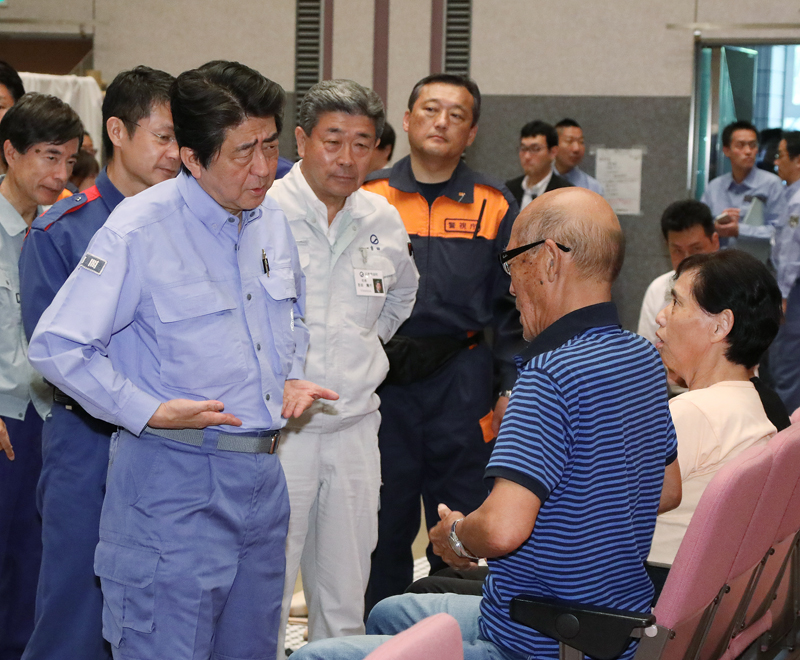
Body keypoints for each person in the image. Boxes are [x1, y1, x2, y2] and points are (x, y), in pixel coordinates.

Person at [27, 60, 337, 660]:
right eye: (242, 151)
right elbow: (58, 345)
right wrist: (149, 410)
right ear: (192, 157)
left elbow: (287, 316)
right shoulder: (140, 229)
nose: (262, 168)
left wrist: (288, 376)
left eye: (269, 146)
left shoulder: (270, 218)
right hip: (174, 482)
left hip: (262, 483)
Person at [291, 187, 680, 660]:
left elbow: (499, 532)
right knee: (388, 613)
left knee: (313, 657)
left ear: (550, 261)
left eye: (513, 260)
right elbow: (666, 488)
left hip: (534, 639)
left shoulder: (549, 374)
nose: (511, 285)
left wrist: (454, 536)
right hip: (612, 625)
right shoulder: (641, 357)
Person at [18, 65, 179, 660]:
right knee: (74, 614)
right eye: (162, 136)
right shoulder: (65, 229)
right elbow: (58, 354)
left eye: (180, 139)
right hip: (90, 444)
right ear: (117, 130)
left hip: (174, 447)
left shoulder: (191, 224)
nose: (174, 152)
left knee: (161, 616)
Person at [268, 79, 419, 654]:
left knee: (343, 596)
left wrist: (363, 346)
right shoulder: (263, 213)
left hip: (356, 426)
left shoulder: (382, 217)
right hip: (281, 433)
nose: (348, 158)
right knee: (268, 590)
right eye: (334, 141)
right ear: (302, 139)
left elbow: (401, 298)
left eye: (363, 143)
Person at [361, 73, 521, 611]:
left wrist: (509, 387)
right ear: (406, 121)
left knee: (462, 526)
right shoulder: (370, 195)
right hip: (384, 380)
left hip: (463, 380)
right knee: (381, 523)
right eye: (430, 109)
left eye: (456, 114)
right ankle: (379, 635)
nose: (441, 121)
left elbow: (515, 307)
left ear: (471, 132)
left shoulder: (494, 202)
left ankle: (463, 632)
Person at [648, 250, 784, 595]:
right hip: (697, 609)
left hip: (639, 604)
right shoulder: (753, 406)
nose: (661, 317)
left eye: (676, 303)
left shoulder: (691, 414)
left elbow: (596, 517)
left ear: (721, 326)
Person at [0, 92, 83, 660]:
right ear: (9, 153)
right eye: (48, 157)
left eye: (70, 162)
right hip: (4, 415)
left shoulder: (62, 232)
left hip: (50, 417)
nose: (60, 175)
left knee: (39, 562)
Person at [701, 120, 786, 260]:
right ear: (726, 150)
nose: (748, 151)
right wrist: (716, 226)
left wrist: (739, 230)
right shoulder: (714, 187)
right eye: (740, 145)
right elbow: (700, 227)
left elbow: (780, 232)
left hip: (757, 266)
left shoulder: (771, 184)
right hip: (719, 266)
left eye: (753, 146)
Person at [637, 200, 719, 344]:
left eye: (696, 249)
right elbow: (646, 350)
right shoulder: (658, 289)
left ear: (715, 242)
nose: (687, 259)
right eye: (677, 251)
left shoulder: (735, 287)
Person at [769, 131, 800, 413]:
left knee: (786, 363)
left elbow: (792, 255)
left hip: (794, 292)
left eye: (781, 155)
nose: (776, 162)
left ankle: (786, 440)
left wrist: (784, 295)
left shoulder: (798, 200)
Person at [505, 120, 572, 210]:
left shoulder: (566, 193)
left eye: (535, 149)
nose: (527, 156)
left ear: (553, 152)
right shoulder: (508, 190)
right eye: (523, 148)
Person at [553, 118, 605, 195]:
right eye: (569, 141)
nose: (576, 148)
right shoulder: (538, 181)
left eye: (581, 142)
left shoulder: (592, 188)